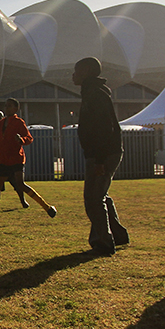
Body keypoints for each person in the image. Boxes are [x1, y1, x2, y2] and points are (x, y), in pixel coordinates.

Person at [73, 57, 129, 255]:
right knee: (100, 195)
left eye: (76, 70)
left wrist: (98, 160)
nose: (73, 75)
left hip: (103, 153)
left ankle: (103, 241)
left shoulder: (94, 93)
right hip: (104, 152)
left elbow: (104, 128)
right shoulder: (94, 91)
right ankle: (118, 234)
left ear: (86, 71)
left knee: (93, 198)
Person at [0, 98, 57, 222]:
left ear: (16, 108)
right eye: (5, 105)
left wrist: (21, 140)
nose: (6, 108)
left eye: (9, 106)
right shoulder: (2, 123)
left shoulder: (19, 122)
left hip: (16, 158)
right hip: (4, 159)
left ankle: (47, 207)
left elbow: (29, 138)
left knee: (20, 184)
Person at [0, 110, 30, 208]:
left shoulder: (10, 130)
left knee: (17, 183)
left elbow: (25, 139)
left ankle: (23, 200)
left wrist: (20, 140)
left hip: (9, 160)